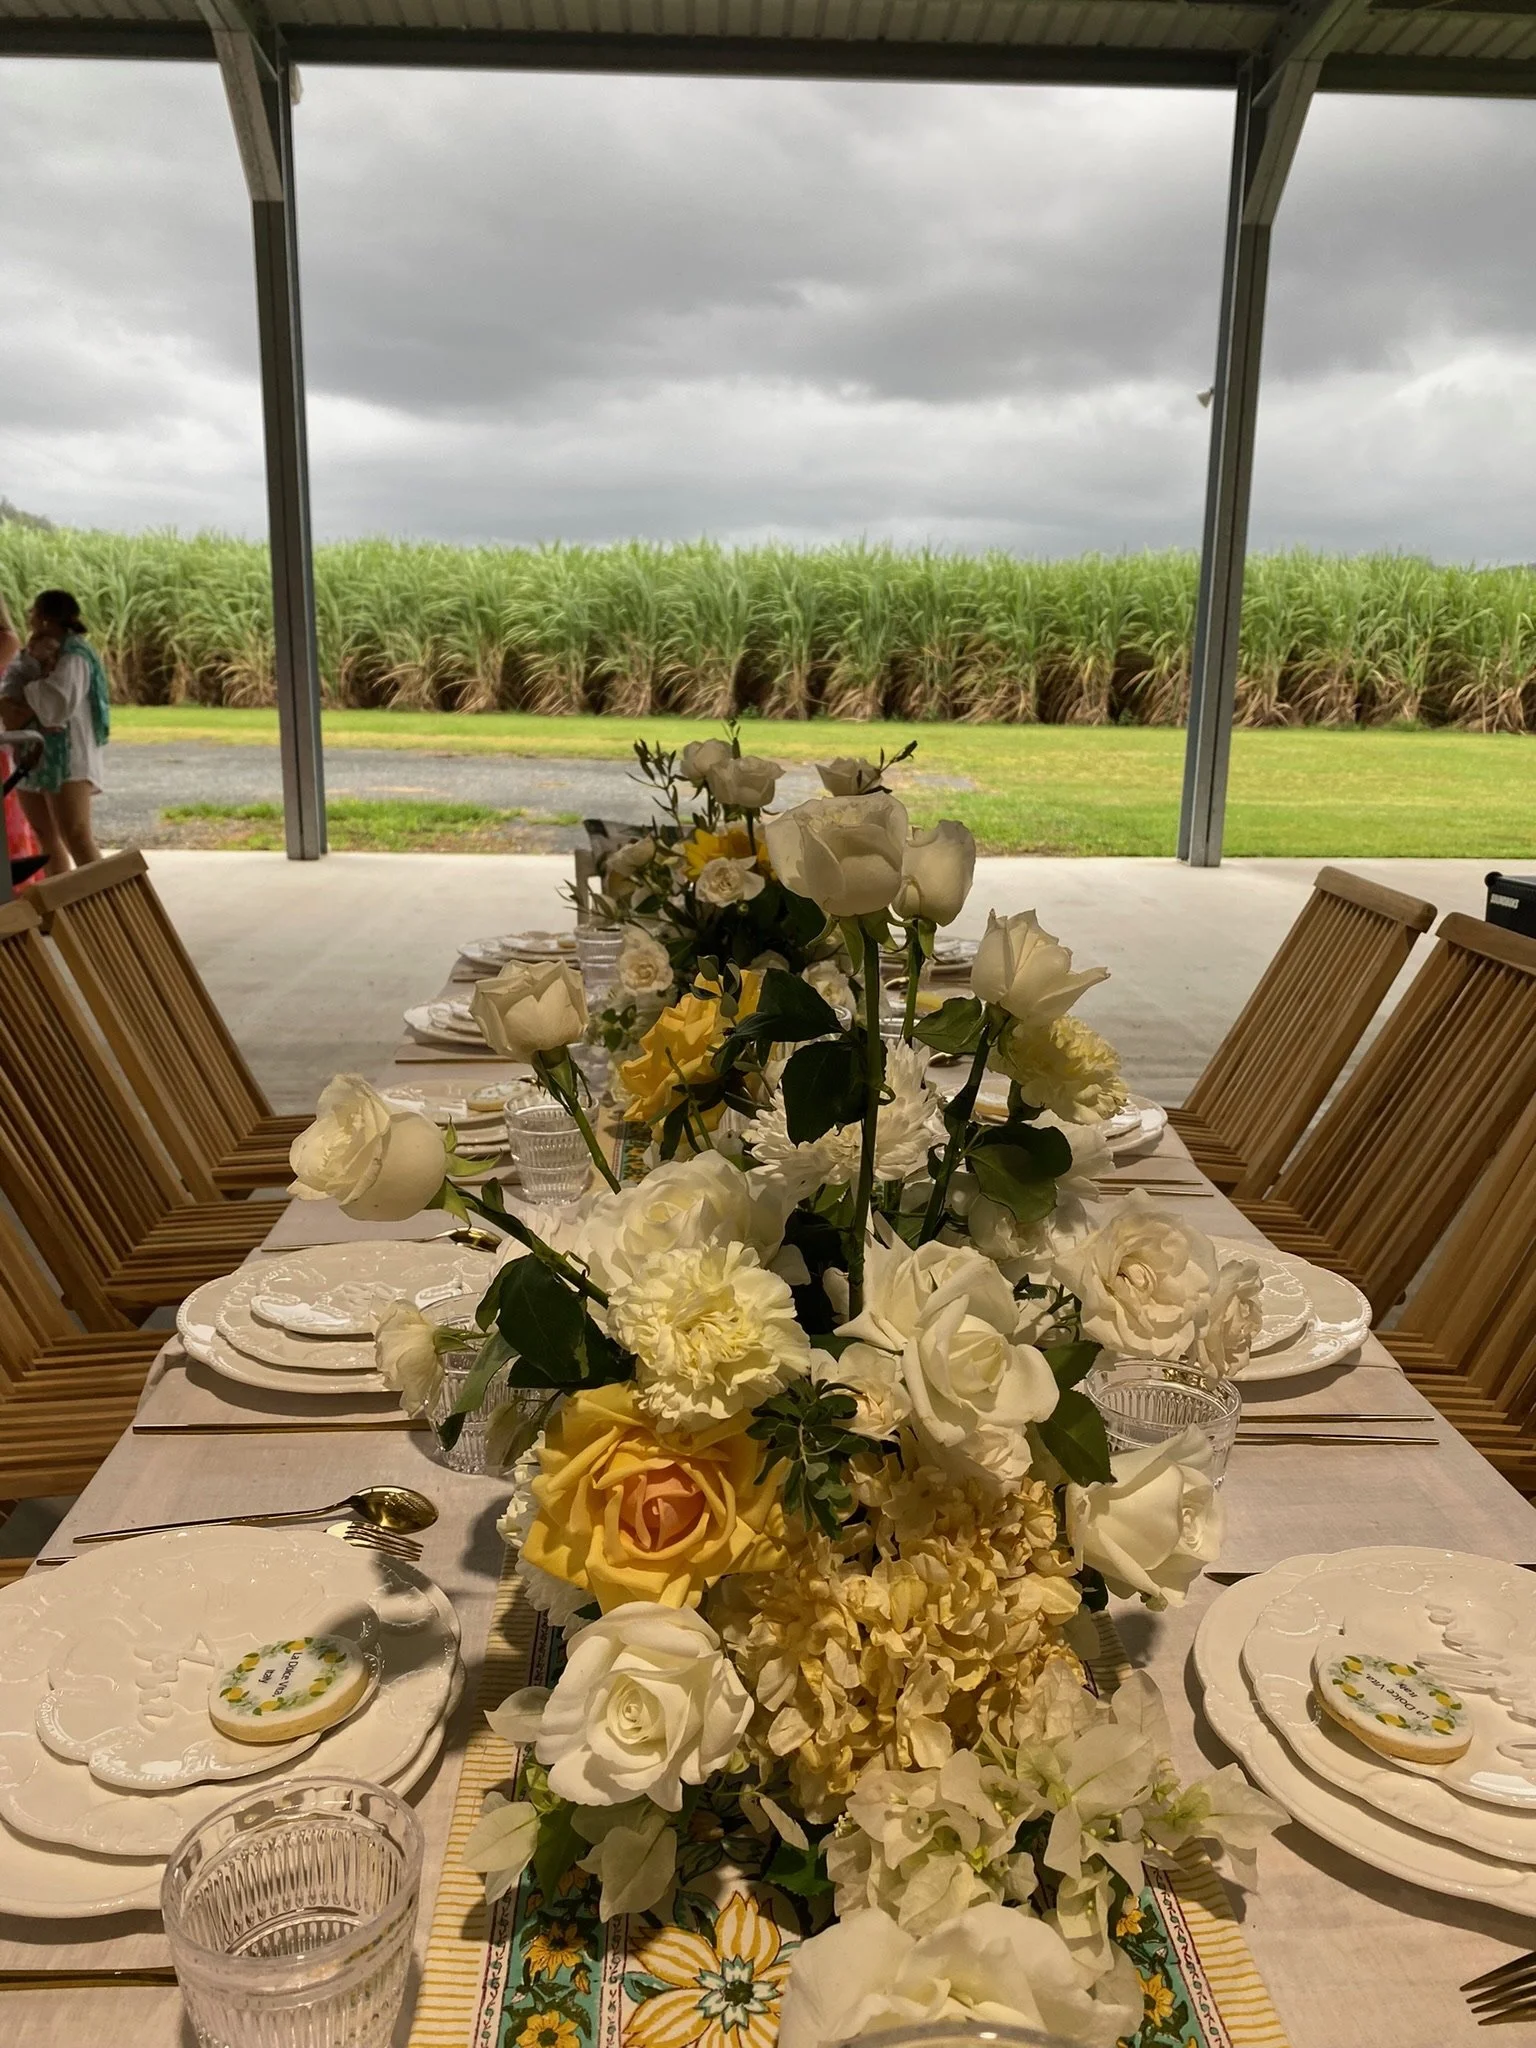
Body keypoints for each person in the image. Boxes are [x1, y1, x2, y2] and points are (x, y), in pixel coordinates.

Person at [0, 587, 110, 875]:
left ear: (47, 619)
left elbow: (57, 703)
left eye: (33, 613)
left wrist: (25, 697)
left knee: (76, 835)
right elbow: (10, 690)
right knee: (44, 836)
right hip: (34, 755)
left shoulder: (75, 656)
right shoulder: (32, 651)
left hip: (68, 759)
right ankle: (61, 910)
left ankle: (106, 909)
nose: (29, 619)